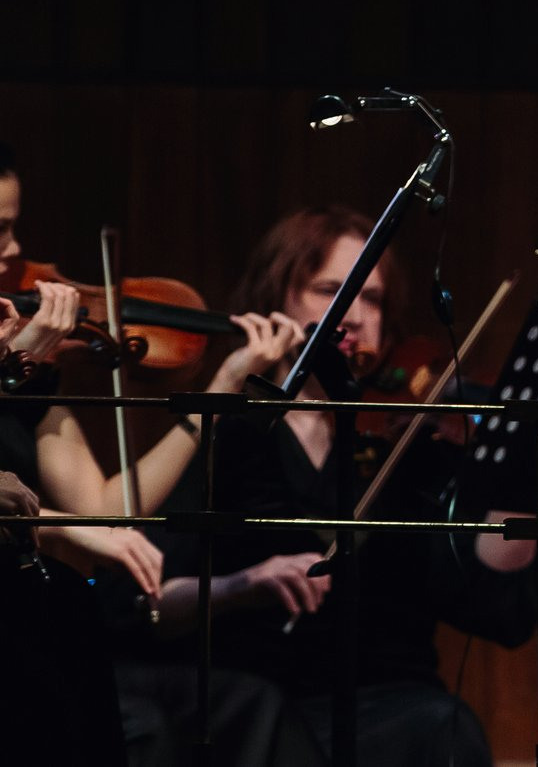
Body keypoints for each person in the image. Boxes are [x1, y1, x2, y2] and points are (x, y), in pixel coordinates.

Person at [122, 206, 538, 767]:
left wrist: (515, 483)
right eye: (329, 291)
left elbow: (492, 611)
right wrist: (244, 584)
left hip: (386, 707)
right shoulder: (232, 432)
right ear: (277, 300)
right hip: (251, 709)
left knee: (446, 729)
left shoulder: (410, 443)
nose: (353, 315)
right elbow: (150, 599)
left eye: (371, 299)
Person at [0, 145, 312, 765]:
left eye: (13, 226)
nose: (12, 251)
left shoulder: (26, 368)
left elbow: (108, 508)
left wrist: (219, 391)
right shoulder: (20, 363)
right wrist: (17, 365)